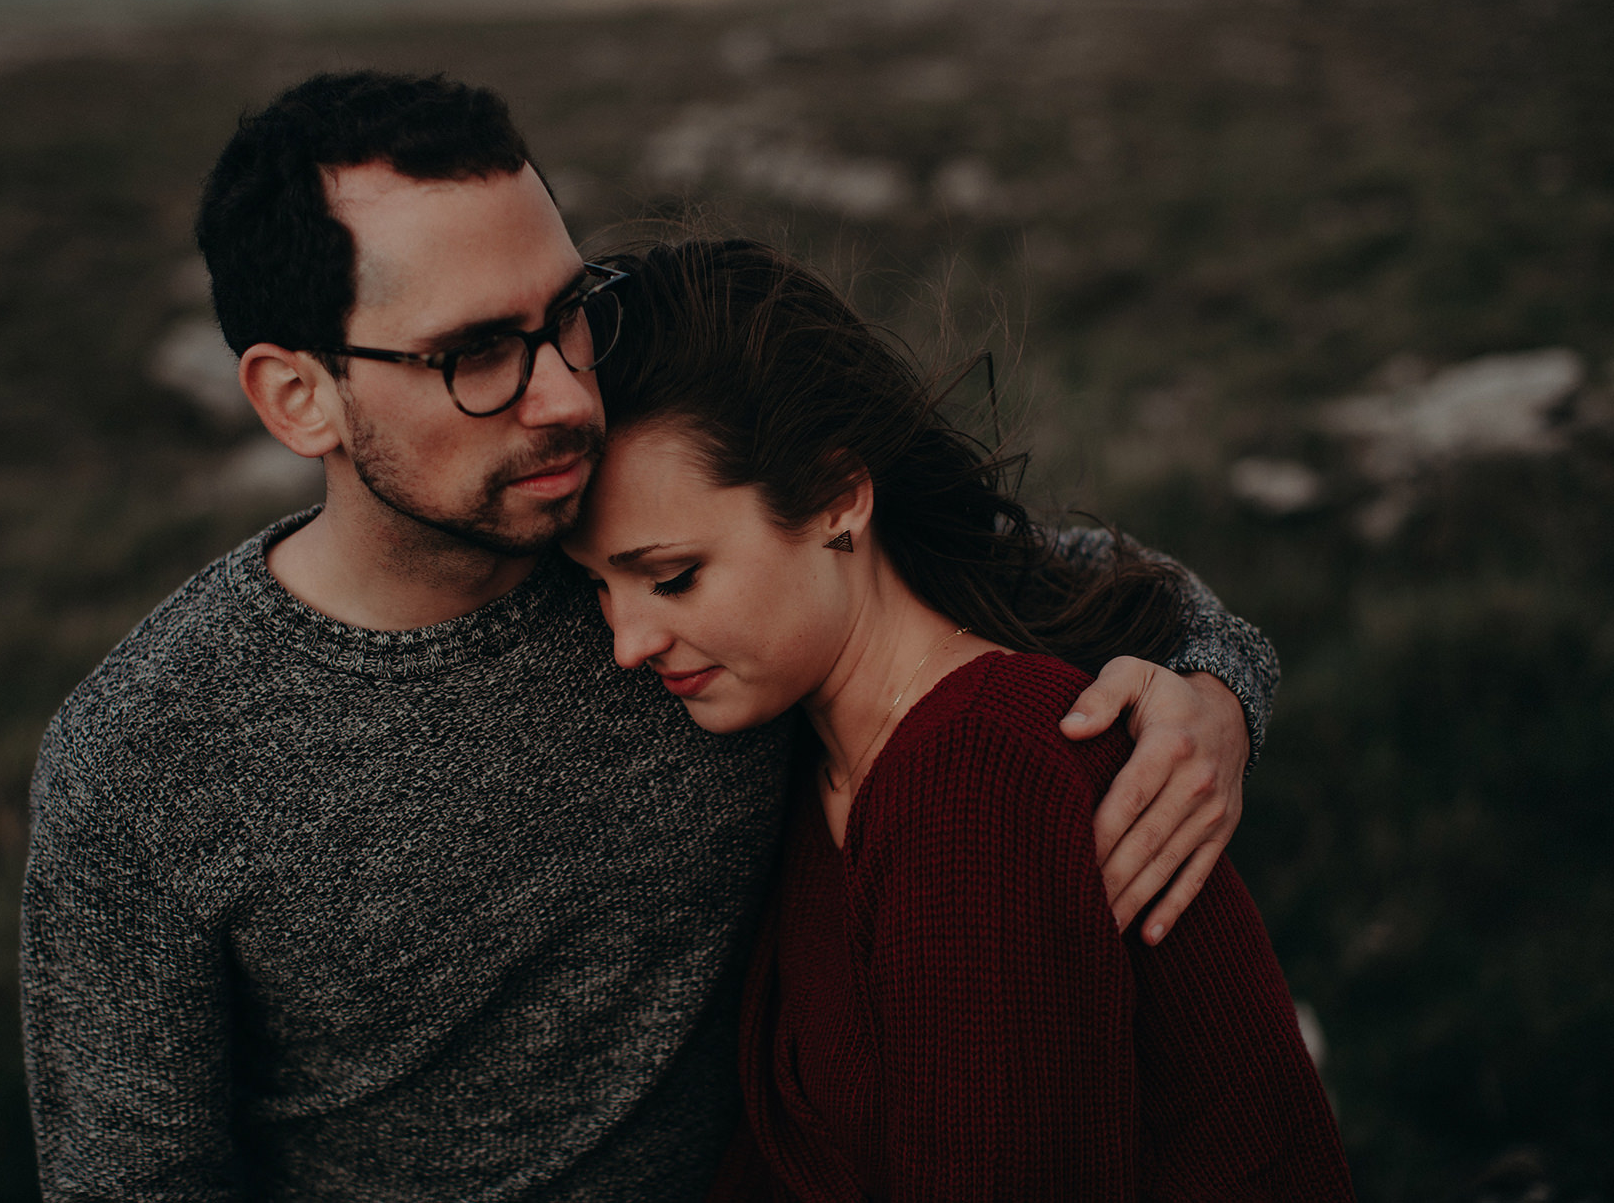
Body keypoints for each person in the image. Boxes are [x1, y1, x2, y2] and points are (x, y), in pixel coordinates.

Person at [20, 71, 1283, 1200]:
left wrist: (1209, 686)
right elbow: (137, 1178)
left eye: (566, 313)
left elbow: (1000, 567)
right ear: (299, 396)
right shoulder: (144, 760)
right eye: (476, 354)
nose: (567, 395)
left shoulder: (621, 538)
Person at [564, 237, 1352, 1200]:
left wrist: (1225, 678)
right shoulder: (822, 754)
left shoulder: (980, 774)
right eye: (599, 589)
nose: (628, 643)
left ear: (837, 498)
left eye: (673, 577)